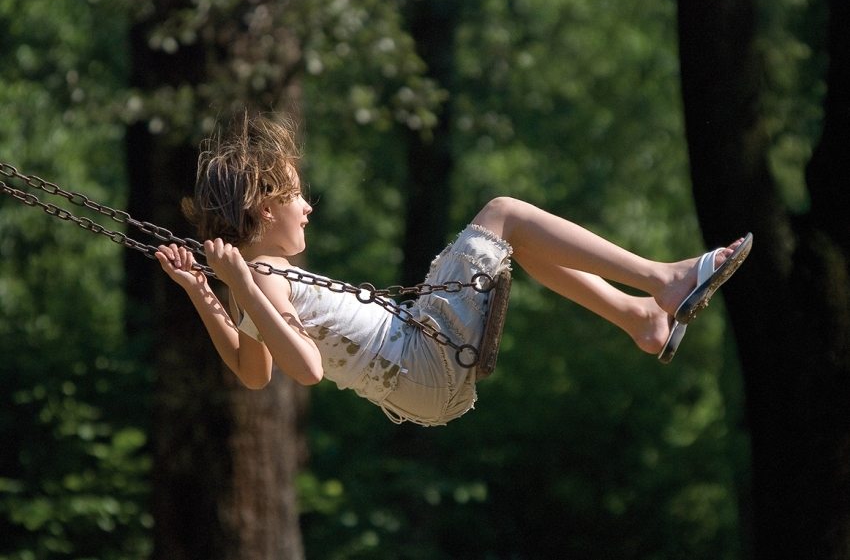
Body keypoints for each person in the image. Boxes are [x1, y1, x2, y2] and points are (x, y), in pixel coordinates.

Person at [156, 114, 752, 426]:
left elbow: (250, 369)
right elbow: (304, 370)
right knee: (505, 213)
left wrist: (201, 294)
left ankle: (639, 317)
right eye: (295, 195)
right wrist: (232, 288)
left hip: (423, 382)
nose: (307, 206)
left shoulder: (255, 281)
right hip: (422, 357)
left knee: (516, 241)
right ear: (264, 208)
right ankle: (662, 281)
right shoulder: (262, 277)